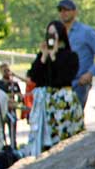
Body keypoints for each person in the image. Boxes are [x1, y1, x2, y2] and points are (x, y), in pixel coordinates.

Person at [26, 20, 84, 156]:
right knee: (46, 140)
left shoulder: (70, 56)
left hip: (63, 101)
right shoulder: (43, 56)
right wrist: (44, 56)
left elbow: (64, 77)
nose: (51, 37)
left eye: (54, 34)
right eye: (49, 34)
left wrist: (53, 57)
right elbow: (33, 77)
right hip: (46, 102)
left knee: (65, 138)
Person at [57, 0, 95, 108]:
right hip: (60, 85)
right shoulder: (58, 32)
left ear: (75, 12)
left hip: (78, 84)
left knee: (75, 120)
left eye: (67, 10)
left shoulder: (86, 32)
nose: (63, 13)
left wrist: (90, 73)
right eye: (61, 10)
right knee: (59, 122)